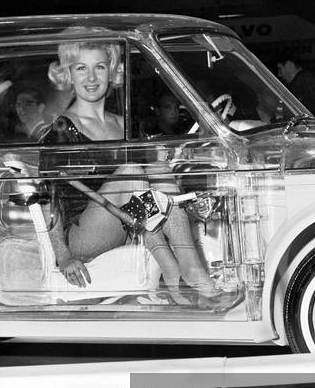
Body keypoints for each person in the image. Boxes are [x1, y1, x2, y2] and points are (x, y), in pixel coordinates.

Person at [40, 39, 224, 307]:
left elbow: (151, 184)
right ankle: (177, 273)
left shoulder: (123, 123)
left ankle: (191, 267)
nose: (91, 78)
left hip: (129, 222)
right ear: (68, 74)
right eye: (81, 68)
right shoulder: (61, 130)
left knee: (157, 167)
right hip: (84, 234)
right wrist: (64, 255)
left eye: (100, 67)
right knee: (132, 171)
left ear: (112, 71)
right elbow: (48, 197)